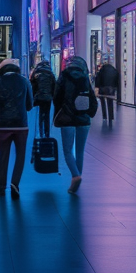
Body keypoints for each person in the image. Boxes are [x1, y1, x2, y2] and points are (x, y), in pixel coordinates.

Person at [0, 58, 33, 198]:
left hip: (3, 125)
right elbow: (30, 105)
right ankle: (15, 184)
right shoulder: (24, 81)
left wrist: (0, 107)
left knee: (3, 155)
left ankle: (1, 186)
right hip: (21, 124)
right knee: (20, 155)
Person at [53, 56, 98, 193]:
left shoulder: (64, 76)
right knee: (80, 151)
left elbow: (56, 97)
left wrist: (59, 111)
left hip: (67, 118)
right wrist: (89, 114)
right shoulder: (85, 77)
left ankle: (75, 175)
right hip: (83, 119)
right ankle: (76, 182)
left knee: (67, 150)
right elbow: (92, 98)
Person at [30, 60, 56, 138]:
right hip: (48, 98)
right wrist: (52, 96)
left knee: (39, 115)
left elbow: (33, 86)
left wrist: (33, 97)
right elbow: (54, 87)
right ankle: (47, 133)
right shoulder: (50, 74)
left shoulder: (36, 73)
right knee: (47, 115)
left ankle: (39, 133)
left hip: (38, 97)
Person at [95, 60, 119, 125]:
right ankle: (111, 117)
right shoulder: (114, 71)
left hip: (103, 88)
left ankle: (104, 116)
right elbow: (117, 80)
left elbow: (98, 79)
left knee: (103, 102)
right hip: (111, 88)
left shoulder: (102, 70)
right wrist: (116, 88)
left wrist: (97, 87)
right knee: (110, 102)